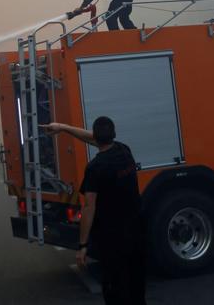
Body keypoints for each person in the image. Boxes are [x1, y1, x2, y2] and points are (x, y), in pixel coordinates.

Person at [42, 118, 146, 305]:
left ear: (96, 137)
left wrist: (82, 246)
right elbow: (95, 138)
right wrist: (63, 128)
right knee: (136, 285)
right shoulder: (124, 150)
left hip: (112, 239)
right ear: (113, 134)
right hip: (136, 233)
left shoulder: (95, 168)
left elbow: (89, 207)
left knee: (116, 290)